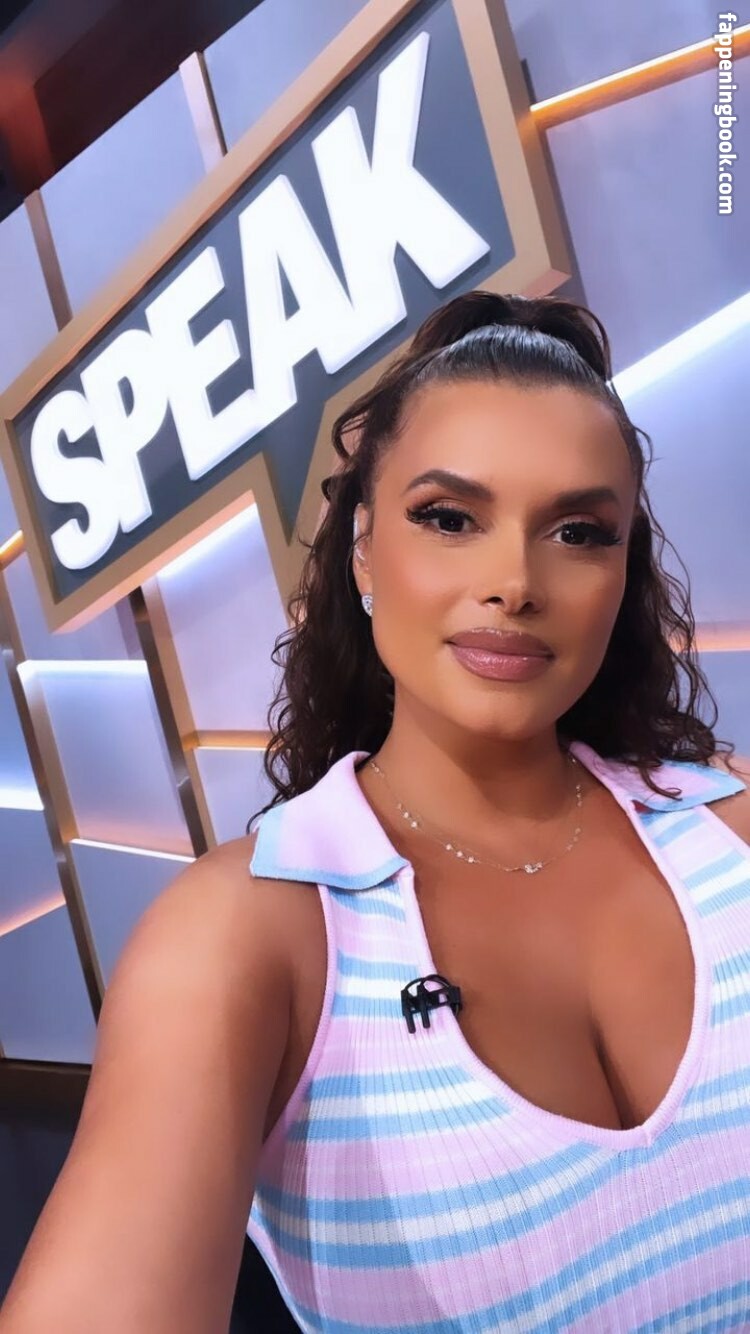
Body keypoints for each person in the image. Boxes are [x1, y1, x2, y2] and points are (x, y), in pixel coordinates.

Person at [2, 290, 750, 1333]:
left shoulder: (727, 826)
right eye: (449, 517)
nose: (514, 581)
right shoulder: (245, 938)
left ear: (622, 574)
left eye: (579, 531)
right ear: (362, 549)